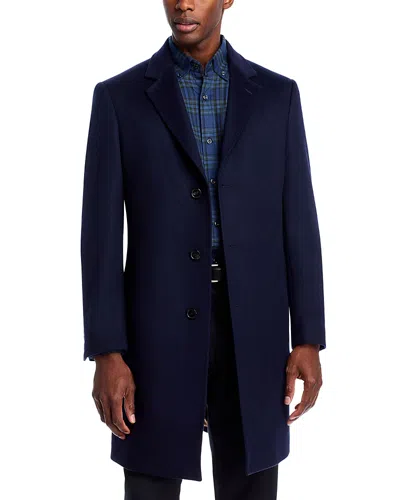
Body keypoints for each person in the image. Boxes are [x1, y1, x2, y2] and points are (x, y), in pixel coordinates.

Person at [80, 1, 326, 498]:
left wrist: (308, 337)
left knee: (250, 483)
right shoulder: (119, 98)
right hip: (153, 337)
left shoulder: (277, 97)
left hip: (253, 333)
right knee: (150, 484)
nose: (183, 3)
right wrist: (107, 350)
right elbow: (100, 237)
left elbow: (299, 223)